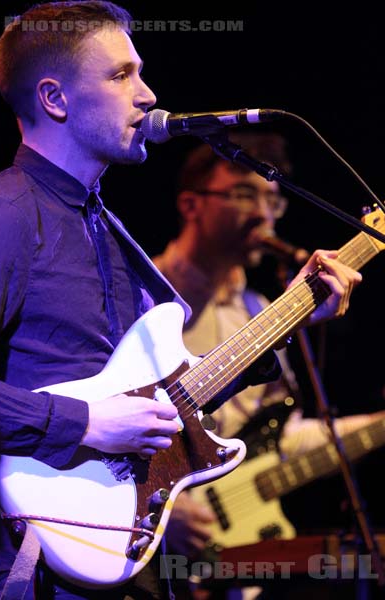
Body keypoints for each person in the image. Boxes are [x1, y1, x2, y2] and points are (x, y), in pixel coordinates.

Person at [0, 2, 362, 599]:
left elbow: (168, 400)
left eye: (140, 72)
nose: (147, 93)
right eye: (120, 75)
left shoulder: (105, 227)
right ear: (55, 99)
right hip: (24, 567)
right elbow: (105, 422)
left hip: (113, 552)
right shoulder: (5, 215)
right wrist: (87, 423)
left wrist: (288, 317)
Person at [153, 132, 384, 595]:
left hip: (222, 557)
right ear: (190, 204)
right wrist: (163, 513)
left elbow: (280, 434)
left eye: (273, 202)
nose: (262, 215)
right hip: (139, 543)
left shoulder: (259, 311)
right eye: (243, 194)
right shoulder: (144, 299)